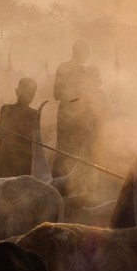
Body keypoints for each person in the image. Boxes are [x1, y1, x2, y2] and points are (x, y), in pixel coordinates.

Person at [52, 40, 91, 177]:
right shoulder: (79, 70)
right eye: (86, 52)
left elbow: (56, 94)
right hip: (72, 113)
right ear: (80, 52)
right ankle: (65, 183)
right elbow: (57, 94)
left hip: (70, 112)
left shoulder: (64, 67)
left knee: (65, 150)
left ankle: (60, 182)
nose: (88, 55)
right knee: (68, 150)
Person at [0, 77, 38, 179]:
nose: (30, 95)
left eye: (32, 93)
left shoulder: (34, 114)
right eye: (27, 92)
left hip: (24, 163)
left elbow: (34, 142)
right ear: (17, 91)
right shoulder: (6, 109)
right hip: (4, 160)